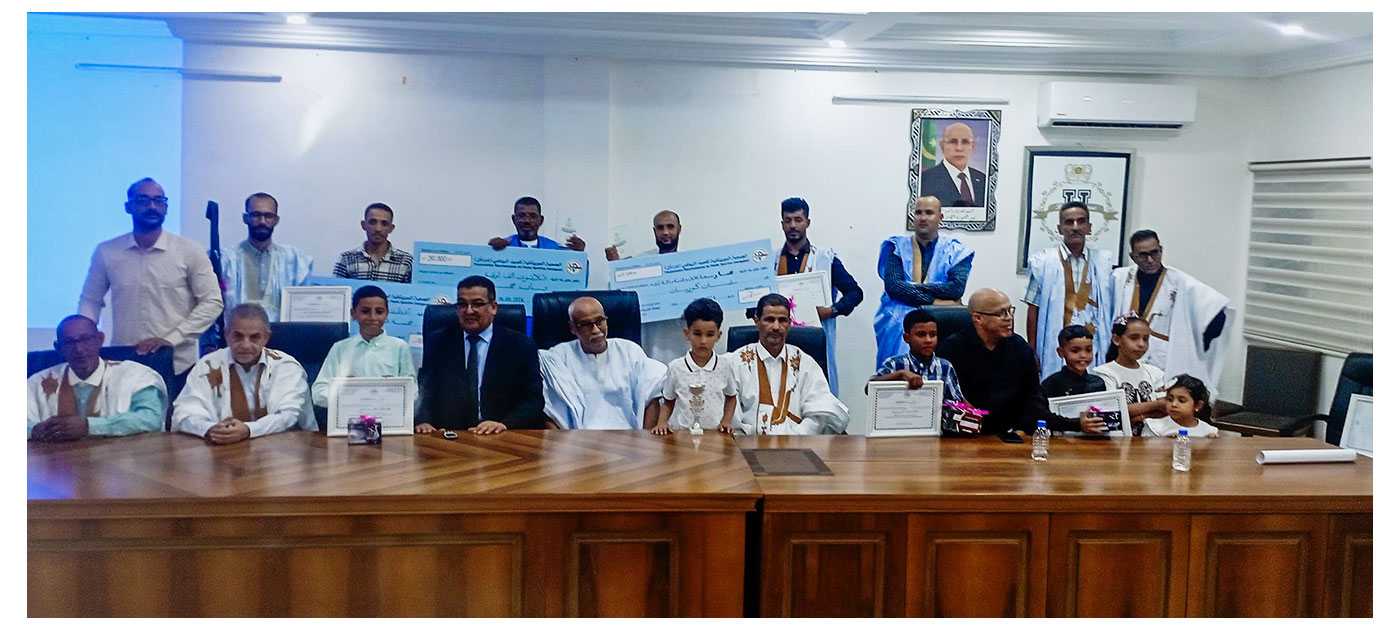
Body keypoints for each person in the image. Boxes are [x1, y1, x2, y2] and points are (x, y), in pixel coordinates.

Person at [78, 177, 224, 378]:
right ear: (128, 207)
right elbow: (90, 300)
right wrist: (82, 339)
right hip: (125, 361)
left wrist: (172, 339)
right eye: (143, 200)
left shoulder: (189, 251)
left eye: (159, 200)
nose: (152, 206)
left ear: (166, 207)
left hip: (178, 363)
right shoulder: (107, 252)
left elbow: (213, 302)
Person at [417, 276, 547, 434]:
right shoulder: (438, 341)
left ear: (493, 307)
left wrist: (505, 424)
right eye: (462, 304)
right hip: (449, 434)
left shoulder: (520, 345)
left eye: (477, 304)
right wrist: (423, 421)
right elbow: (425, 391)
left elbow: (533, 400)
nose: (469, 311)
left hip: (500, 434)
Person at [172, 304, 315, 444]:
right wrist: (209, 428)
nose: (245, 345)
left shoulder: (285, 367)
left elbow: (288, 415)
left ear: (266, 337)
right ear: (226, 335)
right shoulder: (208, 365)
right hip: (221, 448)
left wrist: (248, 430)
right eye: (237, 336)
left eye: (255, 337)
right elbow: (185, 412)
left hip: (282, 448)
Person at [1109, 230, 1230, 392]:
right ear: (1132, 256)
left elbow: (1216, 312)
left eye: (1154, 253)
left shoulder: (1181, 282)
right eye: (1143, 255)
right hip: (1124, 353)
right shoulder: (1120, 278)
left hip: (1162, 357)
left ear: (1161, 250)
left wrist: (1196, 344)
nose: (1150, 260)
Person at [27, 315, 168, 441]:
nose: (79, 349)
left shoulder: (135, 376)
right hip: (56, 460)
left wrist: (89, 426)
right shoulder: (37, 383)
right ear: (58, 348)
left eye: (85, 340)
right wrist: (34, 430)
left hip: (121, 458)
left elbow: (151, 418)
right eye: (69, 343)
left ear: (99, 340)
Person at [538, 296, 668, 430]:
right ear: (573, 328)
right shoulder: (558, 357)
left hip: (628, 436)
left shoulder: (630, 351)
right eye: (586, 324)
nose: (595, 330)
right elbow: (549, 409)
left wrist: (645, 439)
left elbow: (652, 395)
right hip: (578, 437)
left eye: (600, 321)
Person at [873, 195, 974, 367]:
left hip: (942, 316)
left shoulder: (956, 250)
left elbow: (956, 289)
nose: (923, 218)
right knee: (899, 335)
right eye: (918, 213)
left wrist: (911, 288)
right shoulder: (895, 247)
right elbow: (894, 287)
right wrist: (935, 301)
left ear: (940, 217)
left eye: (929, 213)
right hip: (898, 314)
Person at [776, 197, 863, 396]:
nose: (793, 225)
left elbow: (855, 292)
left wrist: (832, 311)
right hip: (778, 339)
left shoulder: (825, 259)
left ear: (807, 222)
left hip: (814, 339)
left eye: (798, 220)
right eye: (788, 220)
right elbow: (755, 302)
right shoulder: (770, 260)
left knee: (817, 394)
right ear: (782, 224)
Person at [733, 294, 850, 435]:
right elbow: (731, 419)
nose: (776, 327)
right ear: (757, 321)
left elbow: (820, 413)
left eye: (782, 320)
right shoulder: (736, 363)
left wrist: (794, 440)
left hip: (799, 444)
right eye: (769, 320)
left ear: (789, 323)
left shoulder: (804, 363)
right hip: (747, 445)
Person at [1024, 202, 1116, 381]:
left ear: (1089, 227)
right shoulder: (1042, 262)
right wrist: (1032, 350)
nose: (1075, 227)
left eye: (1081, 221)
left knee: (1094, 388)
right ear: (1060, 228)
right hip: (1055, 344)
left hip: (1093, 344)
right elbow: (1033, 308)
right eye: (1069, 222)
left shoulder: (1104, 262)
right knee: (1055, 389)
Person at [935, 288, 1045, 436]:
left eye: (1010, 311)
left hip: (1011, 432)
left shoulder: (1020, 347)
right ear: (978, 318)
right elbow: (945, 399)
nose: (1009, 318)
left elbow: (1032, 395)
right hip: (963, 433)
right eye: (1001, 313)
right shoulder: (951, 349)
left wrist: (1022, 428)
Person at [311, 285, 416, 408]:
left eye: (379, 312)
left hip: (387, 413)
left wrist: (389, 392)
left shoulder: (400, 347)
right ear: (353, 313)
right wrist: (349, 396)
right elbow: (319, 390)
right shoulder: (340, 348)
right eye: (365, 311)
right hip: (349, 414)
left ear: (387, 314)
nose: (373, 317)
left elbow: (412, 391)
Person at [607, 210, 691, 362]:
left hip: (681, 337)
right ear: (654, 231)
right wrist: (616, 268)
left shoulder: (692, 263)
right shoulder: (639, 262)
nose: (665, 232)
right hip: (650, 337)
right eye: (660, 228)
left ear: (679, 229)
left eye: (670, 227)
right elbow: (619, 296)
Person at [220, 192, 315, 321]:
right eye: (256, 215)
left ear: (276, 220)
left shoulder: (294, 259)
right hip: (236, 332)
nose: (262, 221)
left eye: (268, 216)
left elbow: (304, 306)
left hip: (282, 332)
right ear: (245, 218)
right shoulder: (225, 258)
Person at [654, 298, 738, 435]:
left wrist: (726, 421)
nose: (703, 341)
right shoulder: (676, 367)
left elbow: (731, 397)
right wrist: (662, 423)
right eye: (697, 334)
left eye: (710, 335)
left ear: (718, 336)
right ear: (687, 333)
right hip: (682, 434)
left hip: (714, 435)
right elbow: (668, 401)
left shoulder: (725, 366)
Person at [869, 309, 968, 404]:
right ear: (907, 338)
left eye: (933, 335)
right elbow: (869, 388)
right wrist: (900, 374)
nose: (928, 340)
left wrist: (974, 412)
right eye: (921, 335)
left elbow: (958, 401)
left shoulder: (945, 367)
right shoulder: (895, 364)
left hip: (938, 416)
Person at [1093, 315, 1168, 436]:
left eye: (1145, 339)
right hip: (1119, 441)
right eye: (1134, 338)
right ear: (1117, 339)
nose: (1141, 344)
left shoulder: (1155, 372)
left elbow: (1166, 408)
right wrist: (1155, 405)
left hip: (1152, 438)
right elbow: (1115, 411)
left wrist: (1139, 415)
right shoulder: (1104, 373)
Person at [1039, 325, 1111, 435]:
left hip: (1095, 439)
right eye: (1075, 351)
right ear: (1061, 352)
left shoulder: (1098, 383)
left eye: (1088, 350)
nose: (1083, 355)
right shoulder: (1051, 383)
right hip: (1061, 441)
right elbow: (1043, 416)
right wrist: (1077, 424)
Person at [333, 203, 413, 283]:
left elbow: (414, 290)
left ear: (391, 228)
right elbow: (336, 288)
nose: (378, 229)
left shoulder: (406, 261)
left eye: (384, 224)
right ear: (363, 225)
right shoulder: (346, 259)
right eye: (372, 222)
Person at [918, 122, 986, 207]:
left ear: (973, 147)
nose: (959, 148)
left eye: (965, 142)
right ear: (942, 146)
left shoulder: (983, 180)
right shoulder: (925, 180)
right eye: (953, 142)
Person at [487, 196, 586, 251]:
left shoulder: (554, 248)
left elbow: (575, 273)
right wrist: (490, 251)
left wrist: (579, 254)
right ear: (514, 219)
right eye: (521, 215)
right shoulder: (503, 246)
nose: (527, 220)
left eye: (533, 216)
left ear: (541, 220)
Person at [1143, 374, 1221, 437]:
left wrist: (1210, 443)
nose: (1174, 404)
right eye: (1170, 399)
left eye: (1181, 401)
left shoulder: (1208, 431)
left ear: (1197, 405)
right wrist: (1163, 442)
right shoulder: (1154, 426)